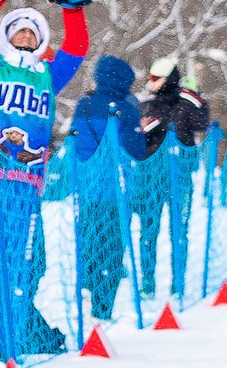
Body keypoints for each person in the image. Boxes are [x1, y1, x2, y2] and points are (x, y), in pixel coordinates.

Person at [0, 0, 88, 360]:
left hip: (25, 183)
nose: (25, 37)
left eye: (33, 33)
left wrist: (71, 8)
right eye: (19, 31)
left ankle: (9, 345)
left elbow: (77, 48)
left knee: (16, 267)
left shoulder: (48, 74)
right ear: (8, 35)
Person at [67, 56, 151, 321]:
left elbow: (77, 146)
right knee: (112, 247)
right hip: (116, 189)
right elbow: (136, 150)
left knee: (90, 240)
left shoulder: (85, 103)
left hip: (87, 187)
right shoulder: (127, 109)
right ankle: (103, 306)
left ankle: (88, 282)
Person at [134, 56, 211, 299]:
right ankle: (148, 281)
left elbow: (201, 122)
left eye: (156, 78)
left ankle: (179, 282)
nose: (151, 82)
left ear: (168, 79)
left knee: (179, 230)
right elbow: (136, 141)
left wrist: (195, 98)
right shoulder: (146, 105)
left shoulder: (187, 103)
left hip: (179, 177)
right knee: (148, 230)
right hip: (150, 178)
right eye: (150, 77)